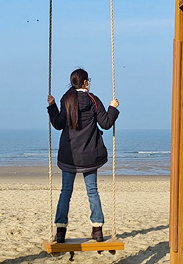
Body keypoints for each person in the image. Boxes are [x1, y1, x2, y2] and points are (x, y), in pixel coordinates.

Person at [47, 68, 119, 243]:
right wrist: (113, 108)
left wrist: (52, 106)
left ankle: (61, 231)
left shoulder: (67, 100)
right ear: (85, 83)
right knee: (92, 191)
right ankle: (97, 230)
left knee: (66, 192)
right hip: (89, 155)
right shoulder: (93, 101)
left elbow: (57, 124)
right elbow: (106, 123)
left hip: (69, 155)